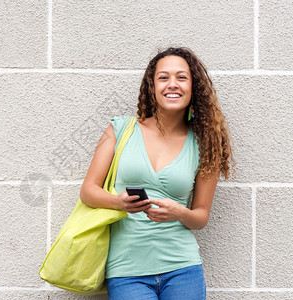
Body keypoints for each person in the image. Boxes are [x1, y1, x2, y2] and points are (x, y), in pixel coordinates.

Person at [80, 47, 232, 300]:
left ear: (194, 87)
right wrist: (119, 202)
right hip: (127, 270)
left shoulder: (206, 144)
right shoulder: (119, 129)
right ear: (152, 86)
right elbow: (88, 191)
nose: (172, 84)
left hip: (183, 269)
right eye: (163, 77)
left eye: (182, 77)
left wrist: (179, 212)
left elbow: (200, 217)